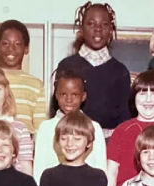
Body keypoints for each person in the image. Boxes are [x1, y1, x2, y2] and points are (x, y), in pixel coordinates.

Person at [55, 2, 131, 137]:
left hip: (109, 141)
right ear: (82, 29)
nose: (98, 29)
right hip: (71, 138)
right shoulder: (67, 65)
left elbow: (125, 117)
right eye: (91, 24)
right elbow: (56, 111)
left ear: (111, 30)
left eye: (104, 24)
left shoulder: (120, 71)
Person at [33, 68, 107, 184]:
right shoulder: (46, 128)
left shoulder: (94, 127)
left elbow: (101, 168)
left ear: (83, 96)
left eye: (75, 95)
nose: (69, 100)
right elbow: (39, 171)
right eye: (63, 94)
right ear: (56, 95)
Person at [0, 20, 48, 135]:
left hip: (24, 145)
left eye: (17, 44)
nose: (11, 49)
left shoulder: (35, 84)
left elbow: (40, 127)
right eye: (5, 43)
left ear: (26, 48)